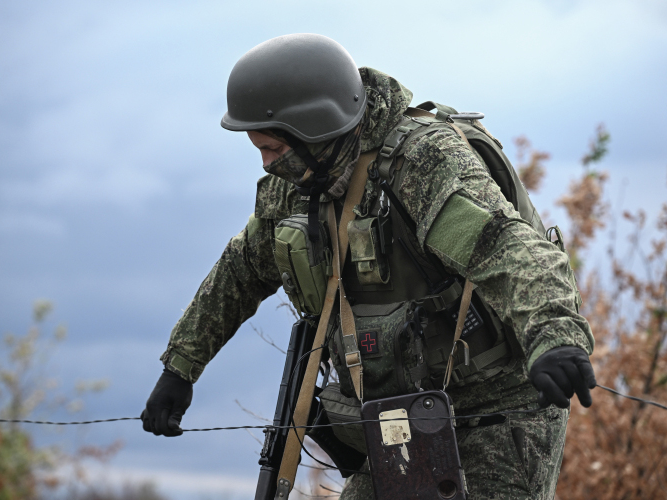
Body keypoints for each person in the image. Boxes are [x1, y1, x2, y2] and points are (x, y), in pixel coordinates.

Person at [141, 33, 596, 499]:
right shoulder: (300, 182)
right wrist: (180, 367)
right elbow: (239, 271)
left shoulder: (423, 163)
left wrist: (555, 336)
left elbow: (509, 249)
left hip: (495, 413)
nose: (265, 163)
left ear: (314, 129)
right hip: (401, 422)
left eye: (274, 149)